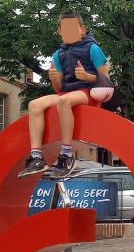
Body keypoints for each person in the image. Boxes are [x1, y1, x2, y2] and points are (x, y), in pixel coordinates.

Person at [20, 12, 111, 178]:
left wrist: (88, 77)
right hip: (66, 92)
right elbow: (58, 88)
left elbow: (106, 80)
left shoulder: (93, 49)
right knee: (34, 105)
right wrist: (54, 79)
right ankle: (36, 157)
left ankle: (67, 155)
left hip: (88, 92)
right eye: (65, 29)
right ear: (59, 31)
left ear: (82, 30)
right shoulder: (58, 55)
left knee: (63, 101)